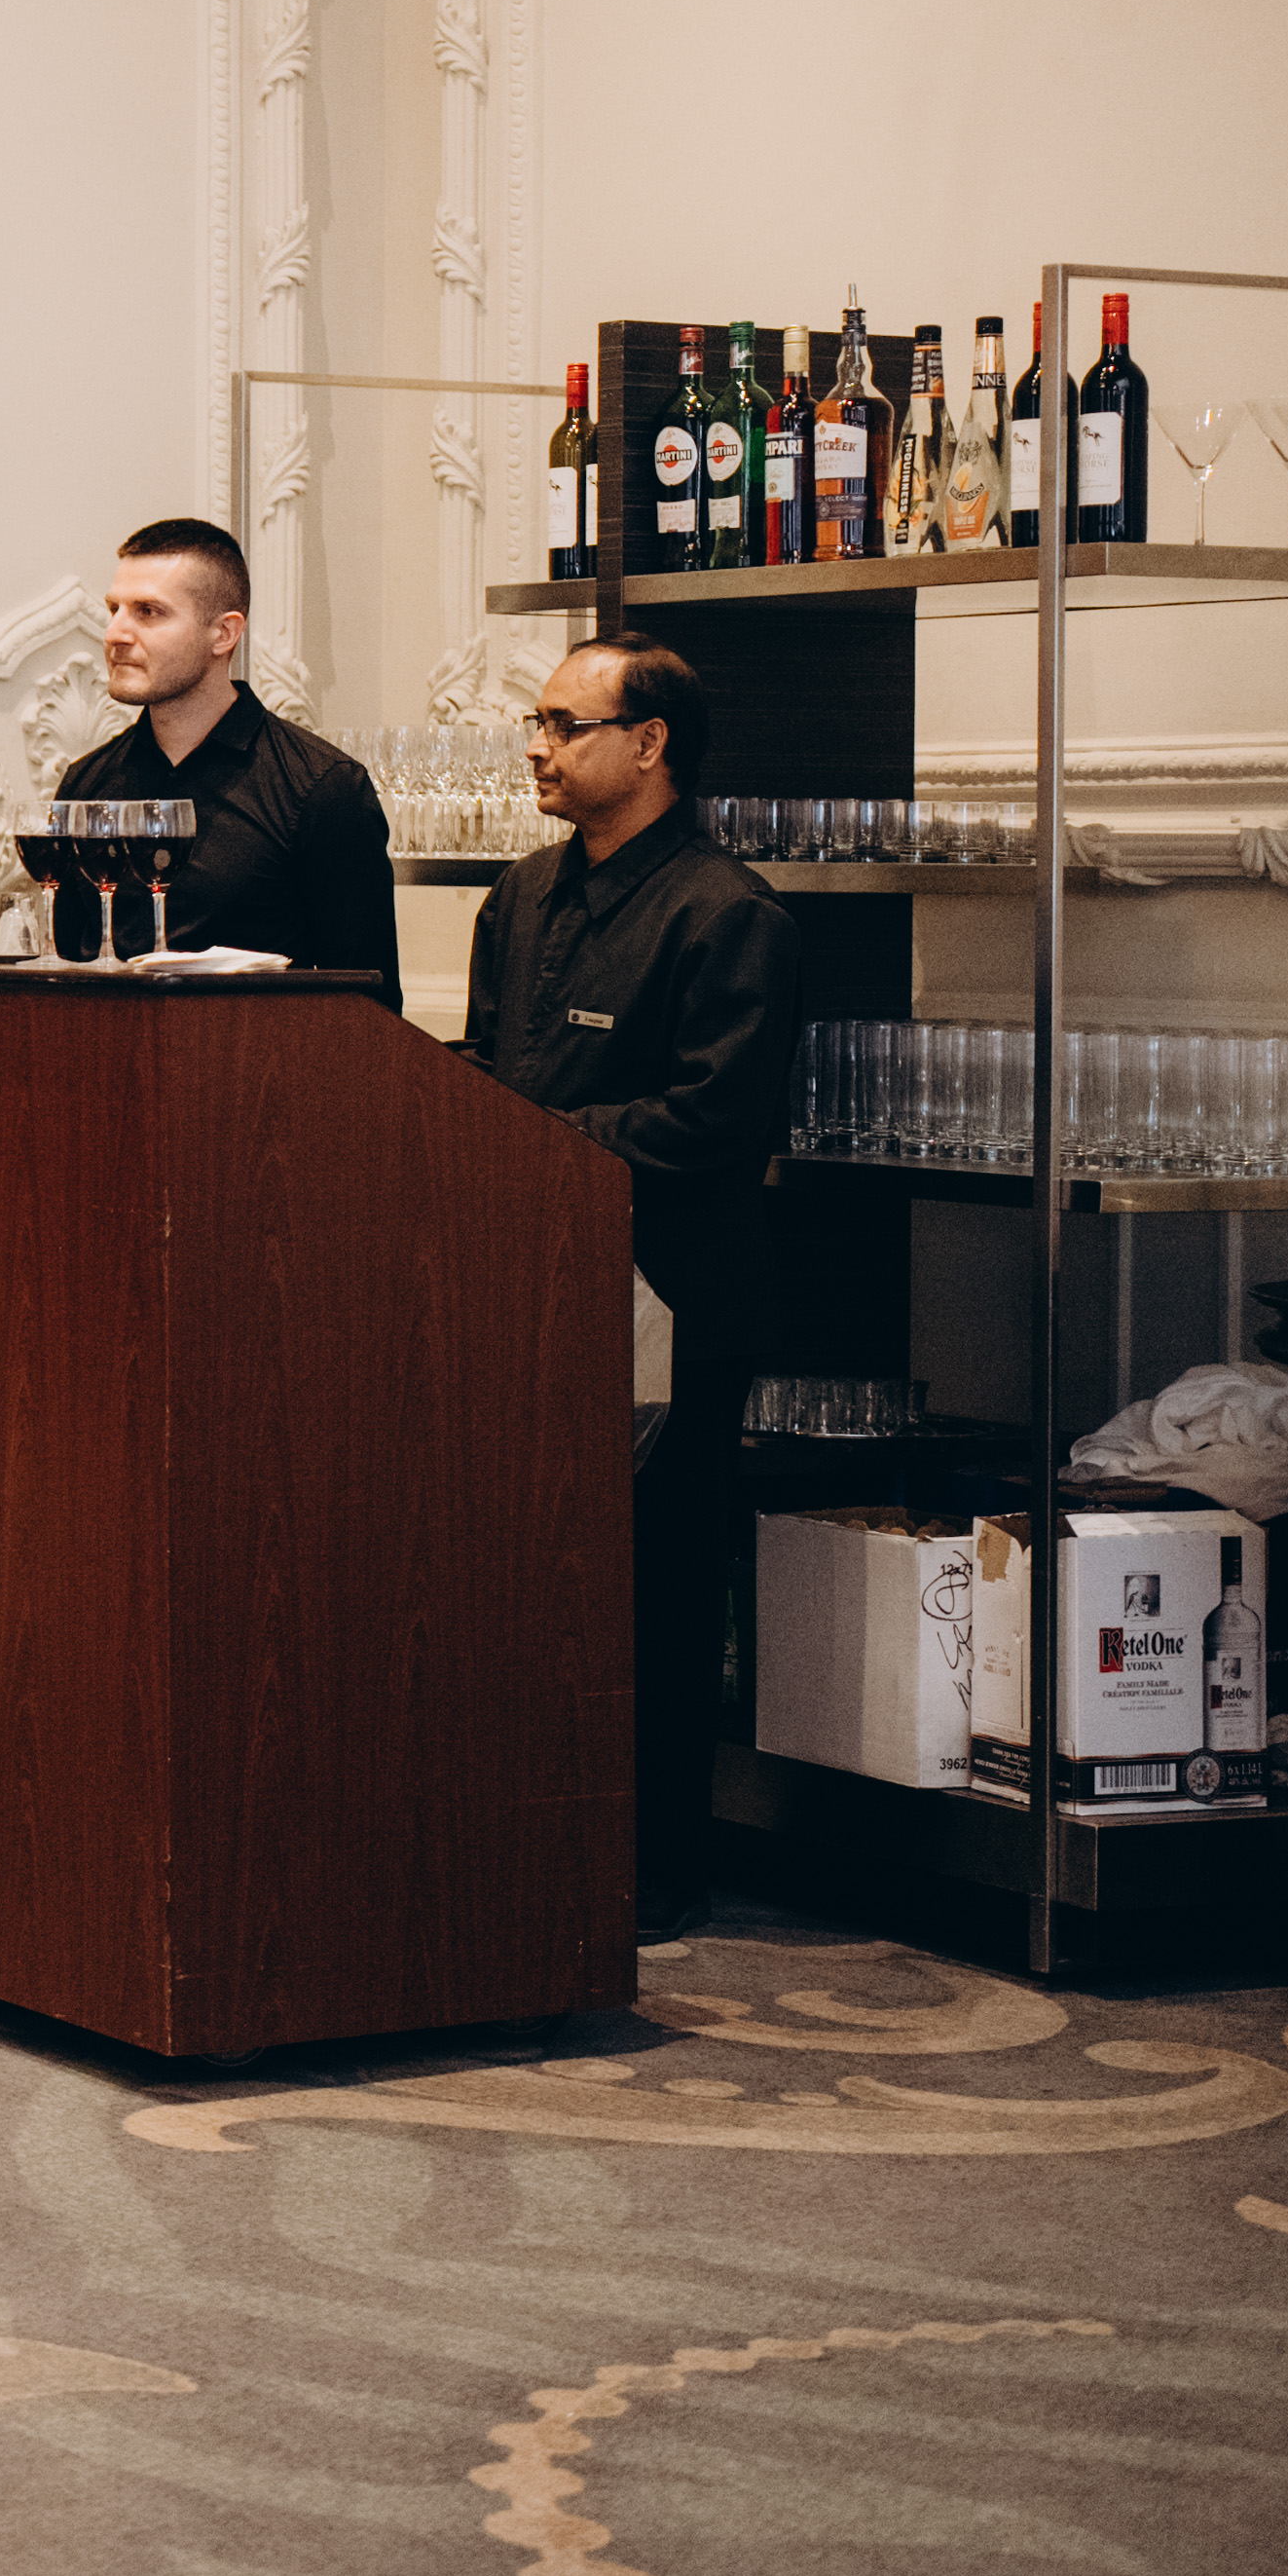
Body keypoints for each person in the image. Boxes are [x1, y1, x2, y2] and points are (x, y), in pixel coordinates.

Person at [460, 637, 797, 1931]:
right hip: (529, 1285)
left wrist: (531, 1140)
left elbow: (715, 1121)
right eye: (536, 721)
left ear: (648, 742)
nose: (535, 745)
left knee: (657, 1586)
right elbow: (484, 1060)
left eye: (564, 723)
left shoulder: (726, 912)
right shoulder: (521, 893)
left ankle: (655, 1867)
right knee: (531, 1577)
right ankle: (542, 1840)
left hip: (676, 1297)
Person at [53, 514, 405, 1003]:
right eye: (114, 609)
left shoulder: (323, 789)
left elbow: (369, 1007)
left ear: (223, 634)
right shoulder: (86, 784)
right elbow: (61, 981)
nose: (115, 633)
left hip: (258, 1052)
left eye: (148, 612)